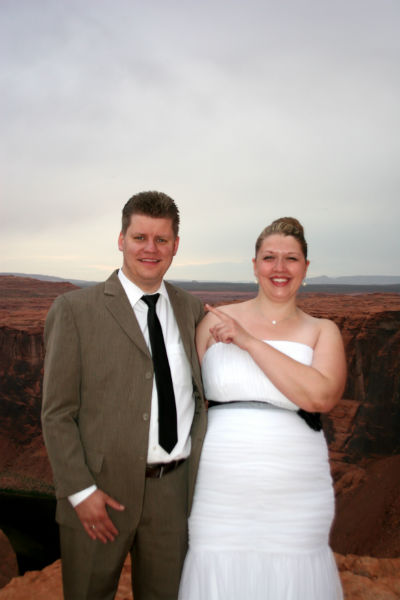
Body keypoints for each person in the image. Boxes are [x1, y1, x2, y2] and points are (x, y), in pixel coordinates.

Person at [41, 191, 206, 600]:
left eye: (161, 239)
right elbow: (57, 413)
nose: (151, 249)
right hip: (100, 493)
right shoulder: (75, 310)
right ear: (121, 240)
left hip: (173, 494)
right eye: (139, 238)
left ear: (175, 246)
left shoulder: (191, 310)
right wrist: (80, 492)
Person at [178, 217, 346, 600]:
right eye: (269, 257)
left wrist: (249, 342)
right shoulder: (212, 322)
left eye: (291, 258)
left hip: (296, 486)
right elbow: (187, 399)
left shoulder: (323, 330)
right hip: (220, 486)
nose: (279, 268)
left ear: (306, 266)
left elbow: (320, 397)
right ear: (254, 265)